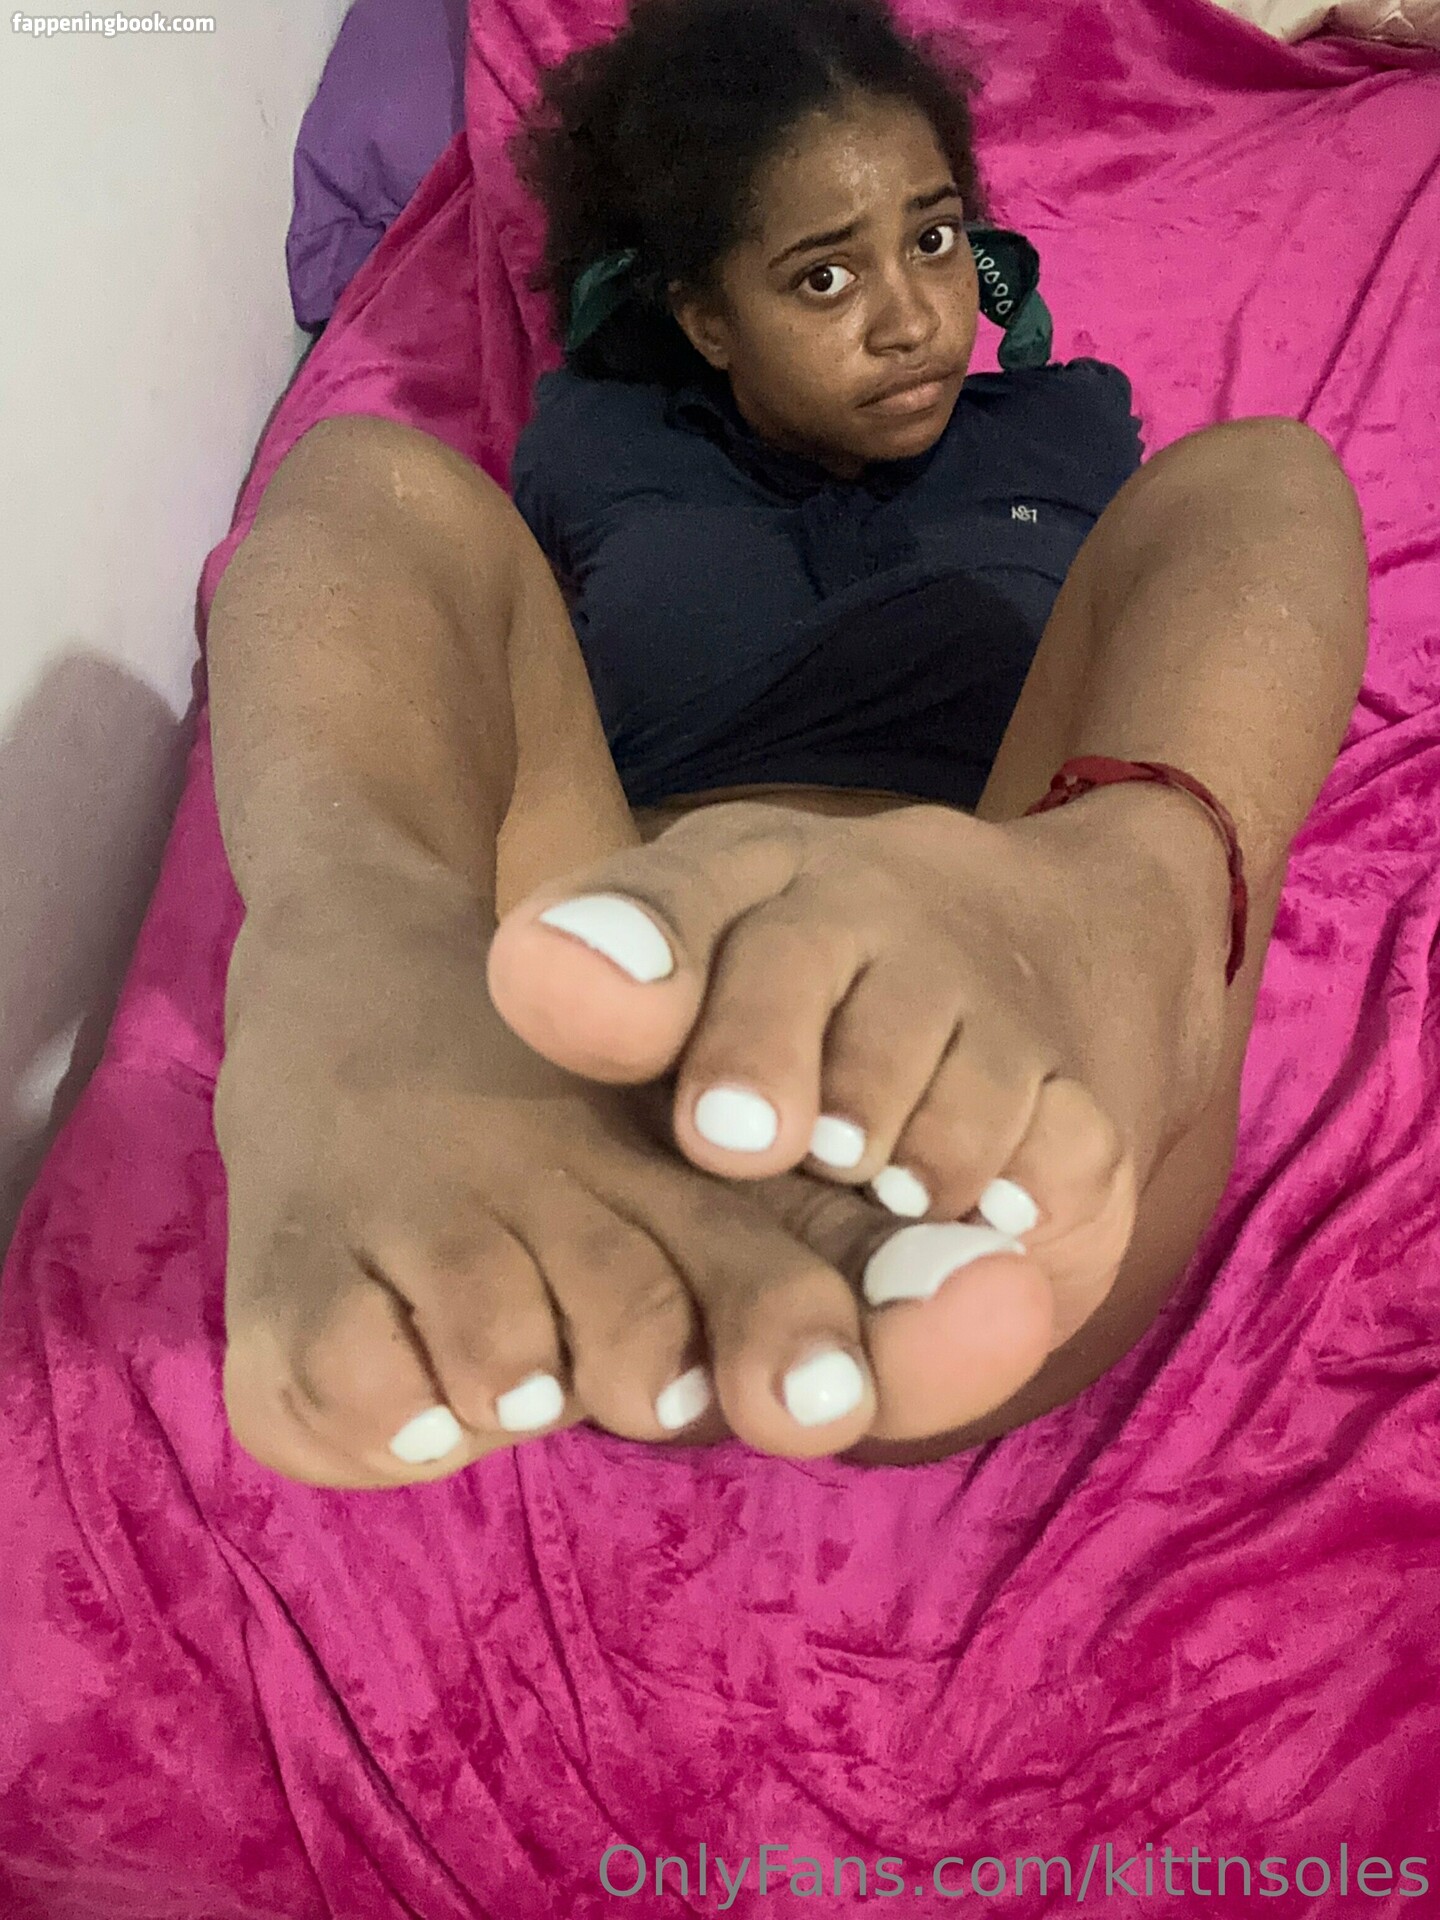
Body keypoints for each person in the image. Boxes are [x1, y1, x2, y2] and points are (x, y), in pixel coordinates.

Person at [208, 0, 1367, 1490]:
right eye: (824, 275)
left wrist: (1067, 873)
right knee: (369, 476)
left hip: (1002, 972)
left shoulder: (1065, 425)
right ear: (708, 321)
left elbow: (1175, 633)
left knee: (1259, 479)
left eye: (934, 241)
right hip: (619, 995)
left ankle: (1124, 927)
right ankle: (356, 984)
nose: (911, 319)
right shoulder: (602, 445)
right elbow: (467, 661)